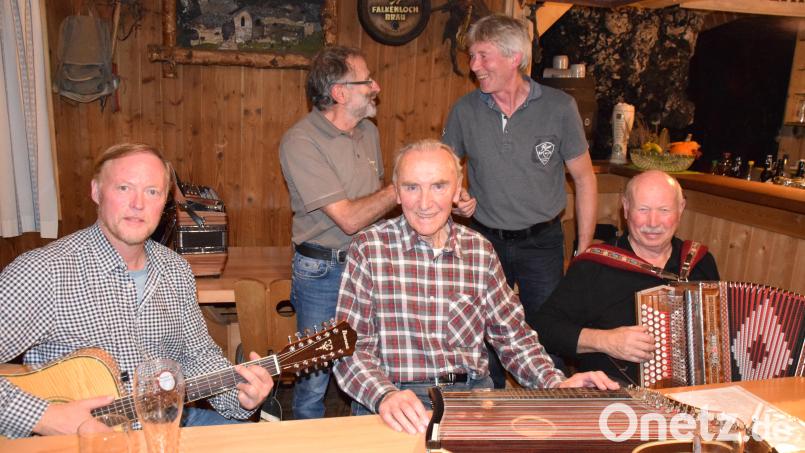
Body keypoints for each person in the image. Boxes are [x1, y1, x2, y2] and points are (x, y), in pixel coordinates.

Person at [333, 139, 618, 435]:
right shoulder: (369, 249)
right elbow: (350, 348)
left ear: (457, 191)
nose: (425, 202)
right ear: (397, 193)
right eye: (412, 187)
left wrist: (556, 382)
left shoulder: (479, 251)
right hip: (397, 398)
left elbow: (513, 337)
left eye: (439, 186)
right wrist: (384, 394)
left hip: (470, 398)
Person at [0, 143, 273, 438]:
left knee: (270, 441)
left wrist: (241, 395)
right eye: (124, 188)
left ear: (164, 201)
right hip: (80, 441)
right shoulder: (43, 272)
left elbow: (198, 357)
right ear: (96, 192)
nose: (138, 204)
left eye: (152, 192)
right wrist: (44, 416)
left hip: (167, 424)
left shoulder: (176, 270)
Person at [441, 14, 598, 387]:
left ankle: (555, 407)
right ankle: (490, 407)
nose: (474, 66)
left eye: (483, 56)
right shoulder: (465, 109)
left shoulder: (559, 108)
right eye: (472, 56)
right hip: (484, 241)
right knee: (481, 332)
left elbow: (585, 178)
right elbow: (442, 170)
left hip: (542, 242)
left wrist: (584, 249)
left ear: (514, 58)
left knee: (547, 332)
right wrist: (456, 195)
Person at [279, 46, 397, 419]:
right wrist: (402, 188)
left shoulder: (369, 132)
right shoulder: (301, 141)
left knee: (370, 367)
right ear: (340, 93)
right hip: (322, 273)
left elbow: (372, 208)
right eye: (367, 80)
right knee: (314, 380)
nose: (376, 86)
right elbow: (348, 218)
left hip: (367, 267)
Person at [532, 170, 720, 384]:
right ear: (626, 208)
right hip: (613, 394)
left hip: (690, 394)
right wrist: (605, 340)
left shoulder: (700, 262)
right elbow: (543, 328)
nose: (653, 222)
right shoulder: (593, 266)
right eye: (643, 209)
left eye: (664, 210)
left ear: (681, 209)